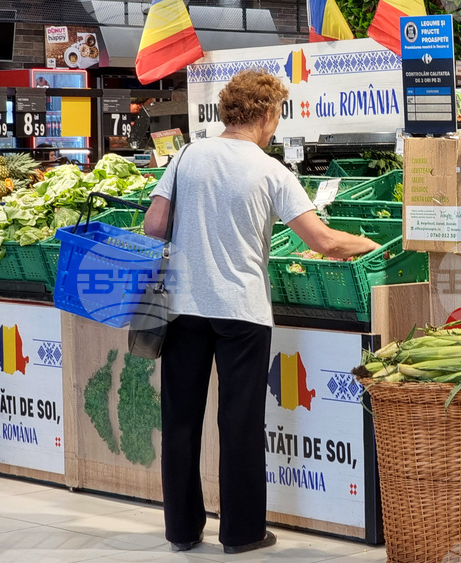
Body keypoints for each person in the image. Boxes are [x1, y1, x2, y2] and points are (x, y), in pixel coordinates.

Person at [143, 69, 380, 553]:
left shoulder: (186, 155)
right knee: (240, 424)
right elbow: (323, 241)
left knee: (181, 421)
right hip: (242, 313)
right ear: (269, 115)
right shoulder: (271, 170)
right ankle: (241, 533)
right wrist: (369, 243)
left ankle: (183, 531)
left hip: (183, 306)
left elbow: (154, 224)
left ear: (227, 111)